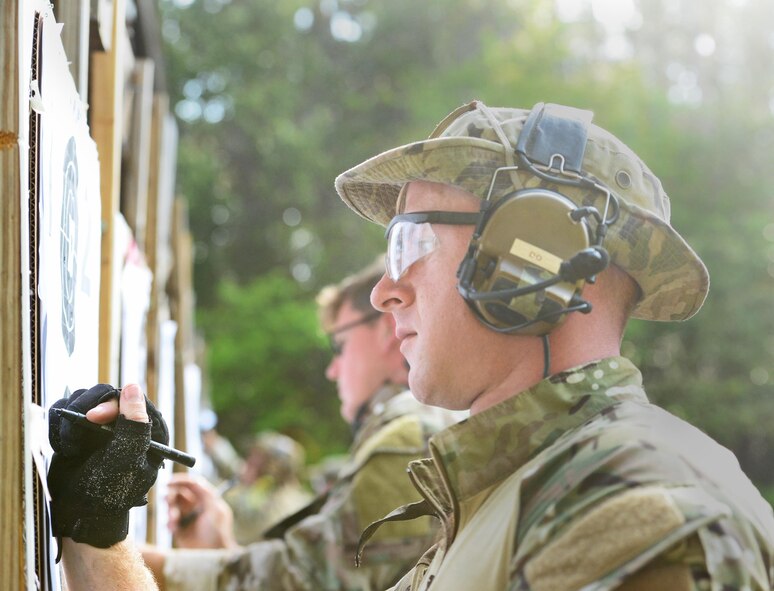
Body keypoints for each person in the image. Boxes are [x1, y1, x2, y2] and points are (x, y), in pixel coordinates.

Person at [330, 100, 774, 589]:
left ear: (532, 255)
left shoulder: (629, 507)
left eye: (410, 243)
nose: (383, 292)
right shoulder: (514, 490)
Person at [50, 257, 461, 590]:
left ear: (389, 328)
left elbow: (305, 583)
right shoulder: (409, 432)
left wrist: (105, 532)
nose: (333, 371)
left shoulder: (410, 436)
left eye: (339, 346)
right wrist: (220, 548)